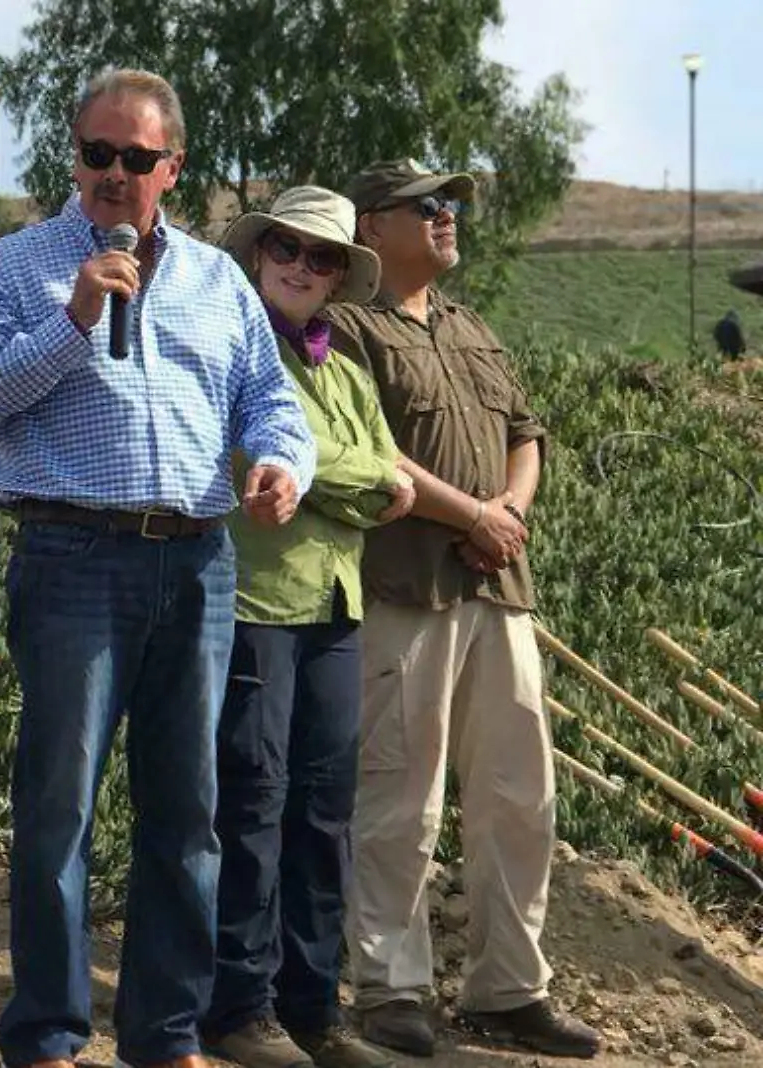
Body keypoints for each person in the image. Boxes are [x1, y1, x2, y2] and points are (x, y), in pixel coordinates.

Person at [0, 68, 316, 1068]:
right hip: (72, 560)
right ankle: (52, 1037)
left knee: (186, 815)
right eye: (95, 154)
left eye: (134, 159)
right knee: (59, 805)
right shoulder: (19, 264)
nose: (112, 174)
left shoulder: (216, 279)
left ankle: (164, 1034)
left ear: (171, 169)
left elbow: (269, 401)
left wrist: (281, 463)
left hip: (197, 565)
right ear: (74, 159)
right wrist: (70, 322)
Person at [328, 159, 599, 1059]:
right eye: (427, 206)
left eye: (451, 206)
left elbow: (527, 434)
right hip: (404, 588)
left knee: (522, 797)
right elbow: (368, 449)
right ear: (372, 226)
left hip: (499, 589)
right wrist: (473, 514)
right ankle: (390, 986)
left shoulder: (469, 326)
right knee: (400, 798)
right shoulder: (346, 326)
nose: (449, 217)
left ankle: (509, 990)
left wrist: (509, 513)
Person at [203, 186, 408, 1068]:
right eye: (287, 247)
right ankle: (239, 1008)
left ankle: (313, 1007)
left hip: (335, 605)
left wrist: (342, 472)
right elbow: (288, 459)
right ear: (259, 254)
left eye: (321, 257)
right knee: (252, 803)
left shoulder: (350, 373)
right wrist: (349, 474)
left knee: (326, 812)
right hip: (256, 603)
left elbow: (387, 480)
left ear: (337, 277)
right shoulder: (233, 349)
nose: (300, 265)